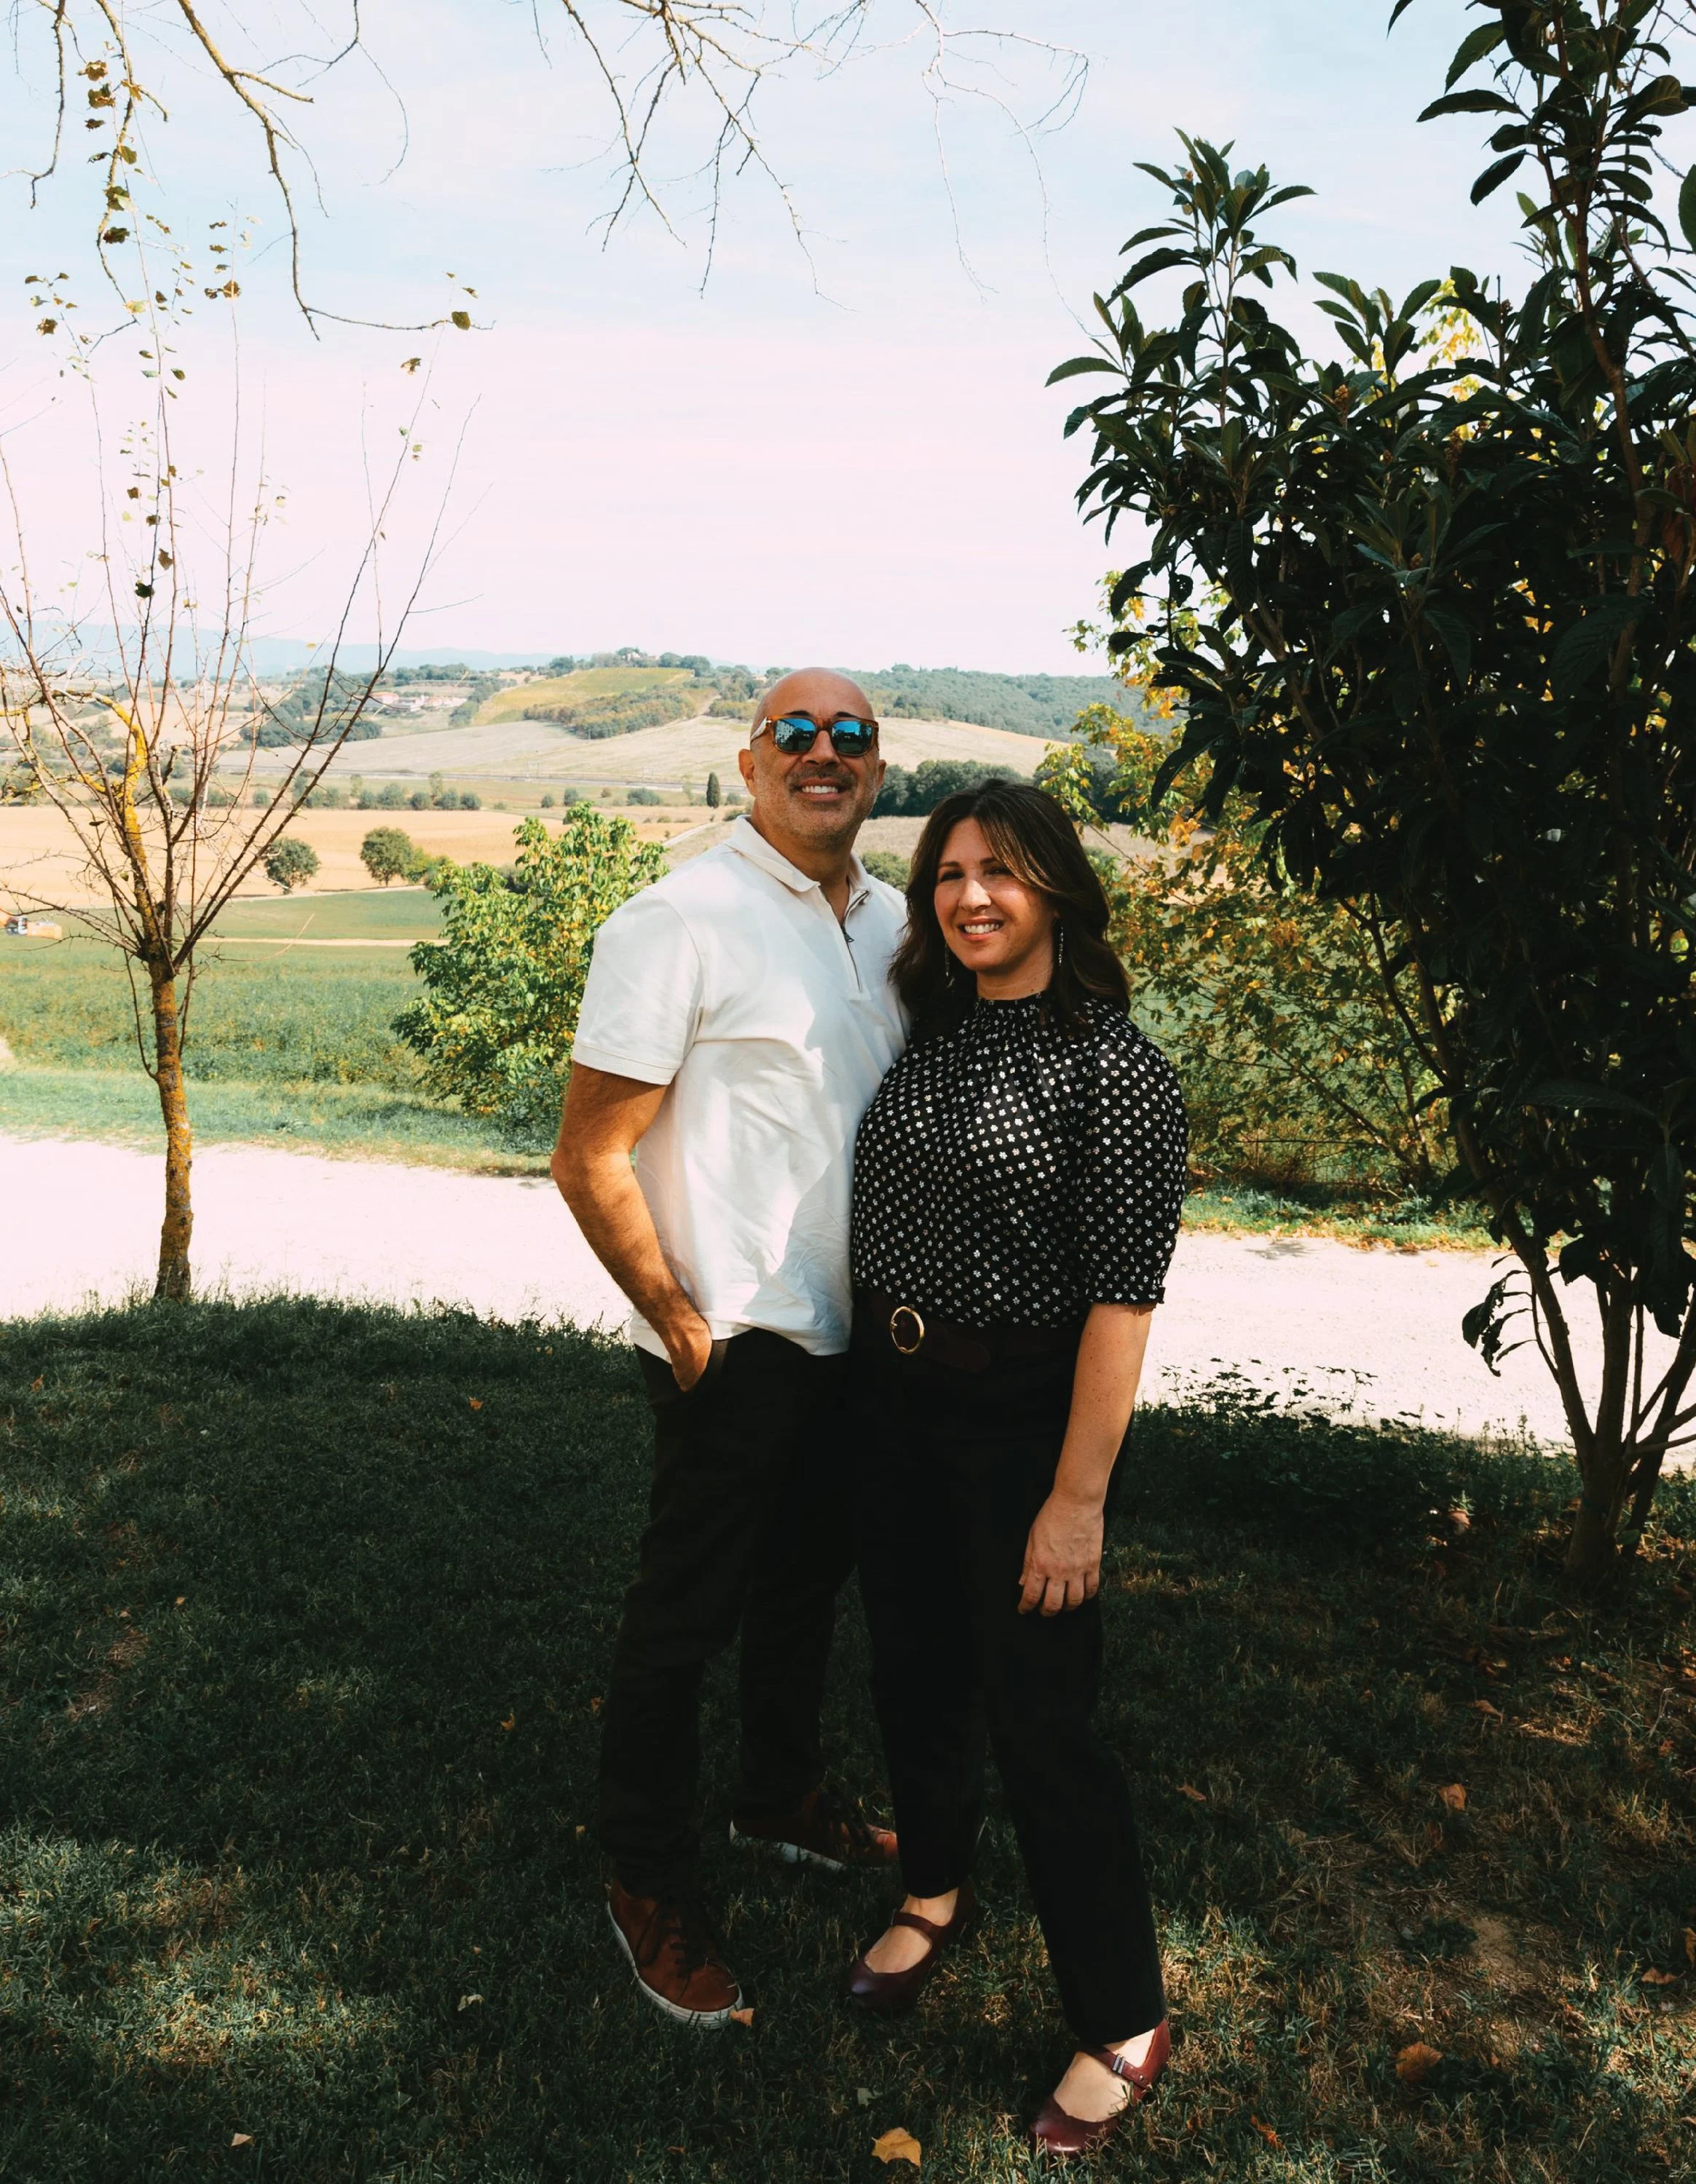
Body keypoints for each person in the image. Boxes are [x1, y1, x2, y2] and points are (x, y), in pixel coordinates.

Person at [550, 668, 907, 2027]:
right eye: (798, 735)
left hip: (856, 1336)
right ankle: (646, 1881)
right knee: (685, 1614)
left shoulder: (889, 924)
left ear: (878, 767)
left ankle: (778, 1798)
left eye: (853, 737)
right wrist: (678, 1322)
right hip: (733, 1337)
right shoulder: (676, 920)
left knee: (809, 1583)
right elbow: (590, 1155)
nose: (827, 755)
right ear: (751, 762)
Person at [844, 781, 1187, 2155]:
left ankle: (1121, 2013)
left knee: (1044, 1725)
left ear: (1058, 891)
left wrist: (1076, 1499)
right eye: (949, 873)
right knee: (914, 1669)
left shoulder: (1116, 1069)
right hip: (895, 1403)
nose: (970, 896)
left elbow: (1123, 1301)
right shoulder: (929, 1036)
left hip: (1019, 1427)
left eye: (1001, 873)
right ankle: (932, 1890)